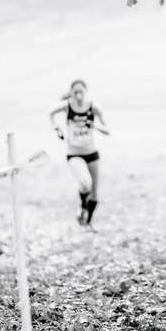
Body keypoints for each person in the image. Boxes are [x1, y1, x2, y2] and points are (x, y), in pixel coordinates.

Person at [49, 80, 110, 225]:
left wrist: (94, 126)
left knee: (94, 191)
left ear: (86, 91)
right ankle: (83, 205)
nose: (78, 95)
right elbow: (50, 113)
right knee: (85, 182)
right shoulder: (67, 106)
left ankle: (88, 222)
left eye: (81, 91)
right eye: (75, 92)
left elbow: (107, 130)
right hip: (74, 153)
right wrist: (57, 129)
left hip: (92, 152)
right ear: (71, 93)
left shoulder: (94, 107)